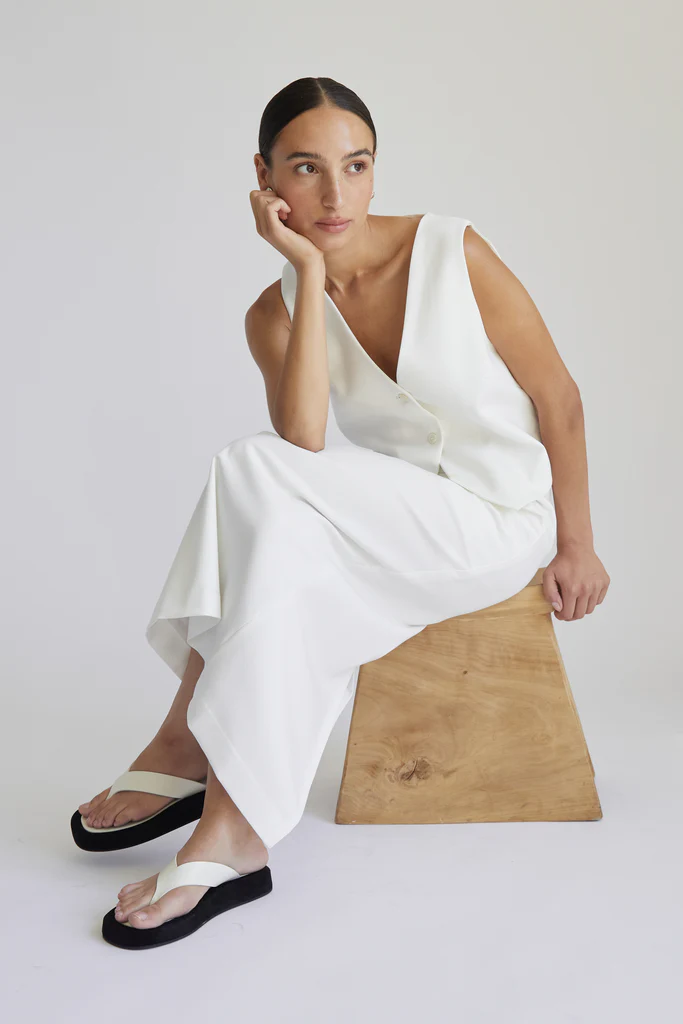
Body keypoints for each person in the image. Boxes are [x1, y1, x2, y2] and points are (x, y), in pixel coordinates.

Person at [74, 77, 610, 949]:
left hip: (498, 518)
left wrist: (577, 542)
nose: (334, 195)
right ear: (263, 178)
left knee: (252, 474)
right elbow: (303, 444)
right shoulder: (272, 313)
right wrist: (308, 275)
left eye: (355, 167)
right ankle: (231, 827)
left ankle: (189, 742)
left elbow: (558, 397)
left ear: (374, 168)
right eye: (305, 169)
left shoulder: (453, 250)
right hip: (393, 519)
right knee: (272, 510)